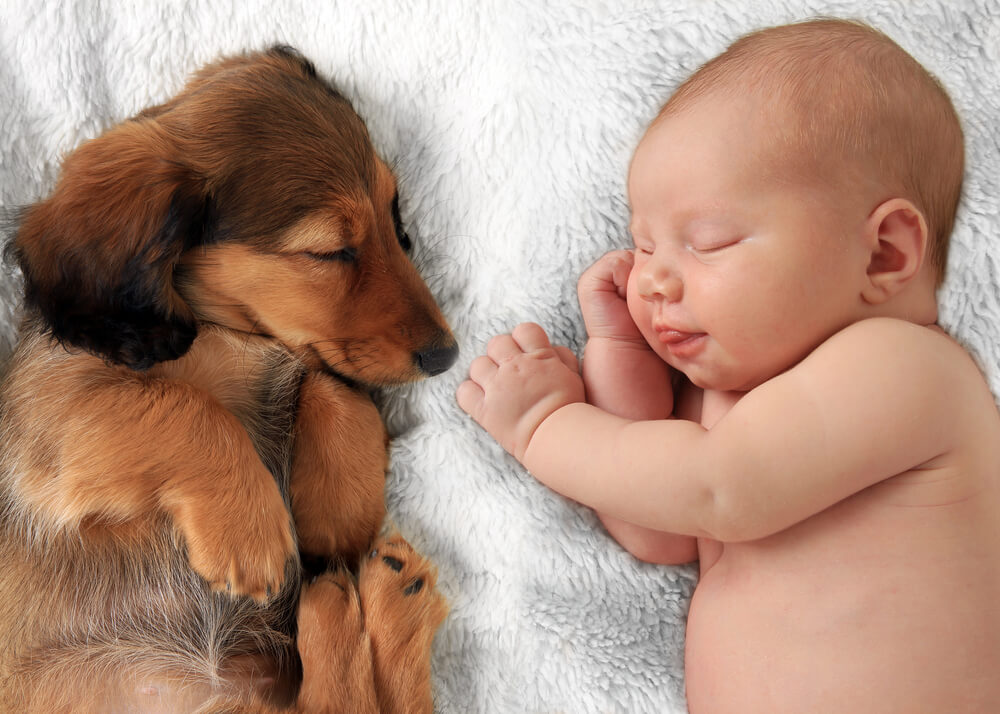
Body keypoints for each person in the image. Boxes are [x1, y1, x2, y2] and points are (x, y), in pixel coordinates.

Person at [457, 18, 1000, 713]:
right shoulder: (733, 409)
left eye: (708, 242)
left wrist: (542, 425)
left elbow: (717, 491)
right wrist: (620, 352)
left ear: (885, 255)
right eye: (643, 245)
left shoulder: (910, 370)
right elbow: (656, 524)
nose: (653, 280)